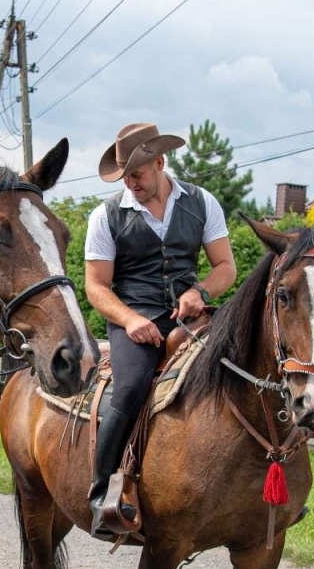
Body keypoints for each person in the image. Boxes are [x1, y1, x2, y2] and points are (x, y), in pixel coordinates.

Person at [83, 123, 237, 536]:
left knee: (244, 369)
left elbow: (226, 268)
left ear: (160, 163)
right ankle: (102, 496)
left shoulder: (203, 203)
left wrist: (200, 291)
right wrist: (131, 320)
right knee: (131, 386)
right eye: (124, 177)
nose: (130, 184)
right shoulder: (106, 216)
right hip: (133, 318)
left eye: (137, 174)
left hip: (192, 314)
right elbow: (95, 286)